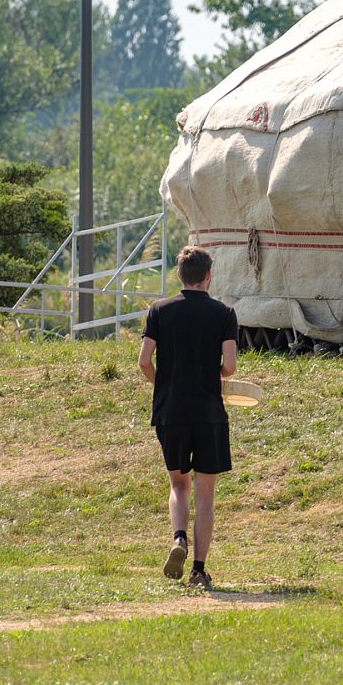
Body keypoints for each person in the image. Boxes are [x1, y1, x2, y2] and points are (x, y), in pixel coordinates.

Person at [138, 245, 238, 591]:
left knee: (178, 484)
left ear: (179, 275)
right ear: (208, 276)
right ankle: (198, 569)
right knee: (205, 492)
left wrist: (164, 384)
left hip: (171, 410)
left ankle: (178, 537)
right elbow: (229, 366)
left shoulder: (159, 310)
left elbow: (144, 361)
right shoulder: (224, 312)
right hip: (209, 411)